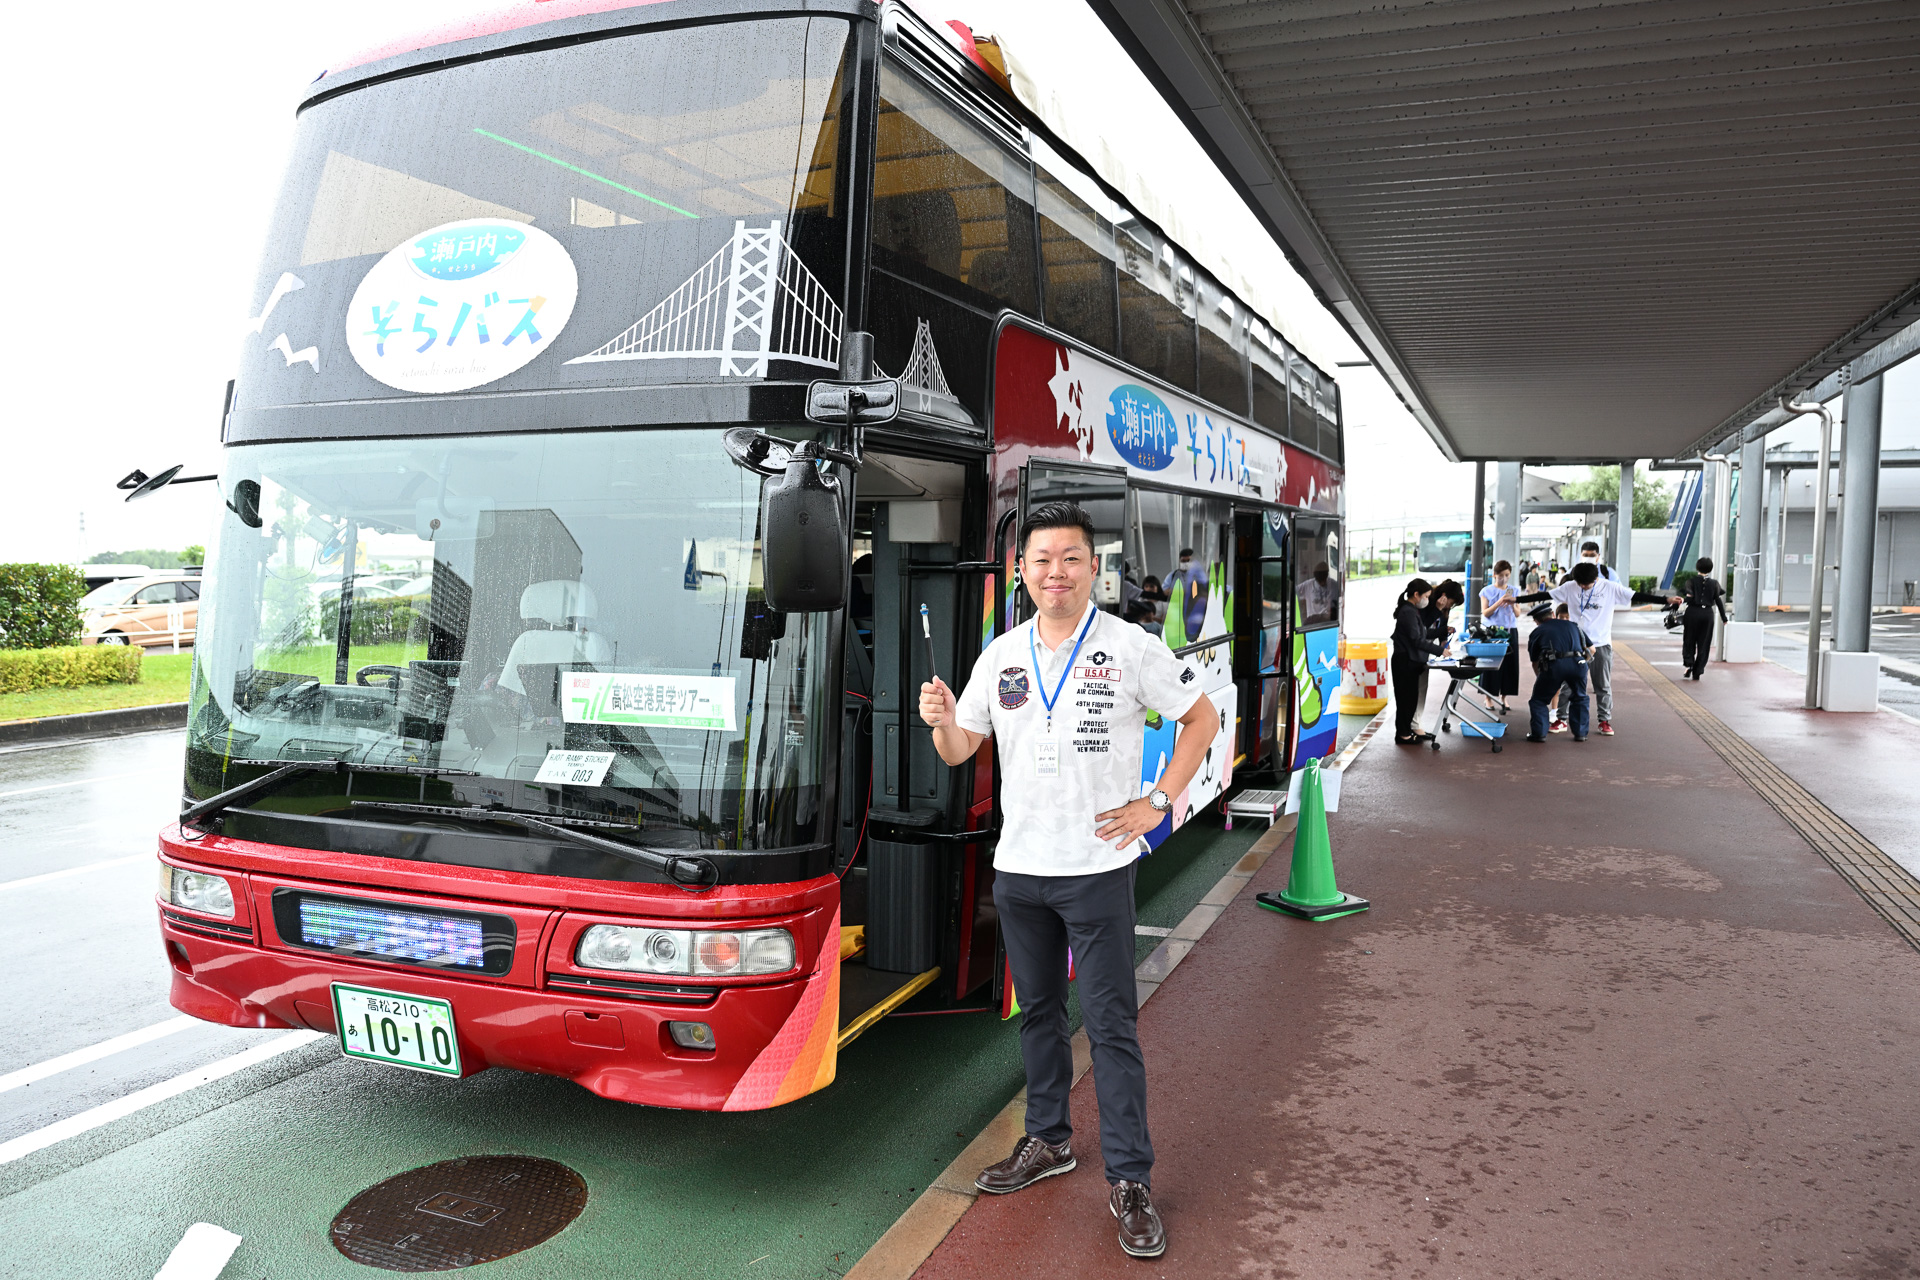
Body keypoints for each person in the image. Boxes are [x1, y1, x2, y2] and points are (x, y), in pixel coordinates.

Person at [919, 500, 1219, 1261]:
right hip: (1020, 870)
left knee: (1112, 1026)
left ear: (1093, 568)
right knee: (1039, 1016)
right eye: (1041, 560)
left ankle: (1130, 1179)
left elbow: (1202, 718)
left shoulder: (1128, 646)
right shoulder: (1003, 654)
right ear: (1020, 572)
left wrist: (1157, 803)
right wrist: (940, 720)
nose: (1055, 572)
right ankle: (1049, 1141)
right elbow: (961, 752)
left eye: (1070, 559)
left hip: (1095, 872)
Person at [1517, 562, 1676, 735]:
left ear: (1596, 579)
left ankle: (1604, 721)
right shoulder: (1570, 586)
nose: (1583, 587)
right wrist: (1516, 600)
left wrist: (1666, 600)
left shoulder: (1610, 588)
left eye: (1587, 584)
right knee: (1568, 684)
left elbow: (1637, 595)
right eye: (1580, 584)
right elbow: (1545, 594)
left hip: (1601, 644)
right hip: (1576, 644)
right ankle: (1561, 719)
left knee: (1602, 685)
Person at [1524, 602, 1592, 742]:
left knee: (1539, 700)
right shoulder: (1574, 626)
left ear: (1536, 621)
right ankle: (1581, 734)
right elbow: (1592, 650)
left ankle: (1539, 734)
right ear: (1553, 615)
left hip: (1554, 666)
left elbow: (1535, 661)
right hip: (1578, 664)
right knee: (1580, 697)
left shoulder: (1537, 632)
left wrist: (1541, 678)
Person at [1391, 577, 1446, 743]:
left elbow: (1423, 633)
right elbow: (1417, 640)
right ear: (1416, 594)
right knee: (1405, 700)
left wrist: (1443, 632)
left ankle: (1406, 732)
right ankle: (1403, 735)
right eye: (1426, 596)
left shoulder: (1411, 610)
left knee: (1410, 698)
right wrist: (1440, 651)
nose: (1427, 600)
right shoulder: (1407, 612)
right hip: (1405, 661)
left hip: (1410, 661)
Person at [1680, 557, 1729, 680]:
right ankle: (1698, 670)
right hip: (1707, 614)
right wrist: (1724, 618)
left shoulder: (1690, 582)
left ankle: (1689, 664)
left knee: (1689, 639)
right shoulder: (1714, 584)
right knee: (1704, 642)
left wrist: (1679, 601)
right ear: (1710, 569)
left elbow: (1689, 598)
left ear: (1697, 567)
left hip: (1692, 613)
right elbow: (1718, 600)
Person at [1477, 560, 1521, 697]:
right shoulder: (1486, 591)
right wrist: (1499, 601)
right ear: (1494, 575)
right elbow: (1485, 612)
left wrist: (1512, 603)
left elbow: (1518, 614)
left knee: (1510, 664)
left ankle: (1504, 697)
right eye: (1501, 575)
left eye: (1507, 575)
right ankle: (1488, 697)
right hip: (1492, 630)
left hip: (1509, 629)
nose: (1504, 578)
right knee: (1491, 663)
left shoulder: (1514, 590)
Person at [1297, 560, 1338, 625]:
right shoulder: (1308, 585)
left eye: (1324, 580)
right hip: (1313, 624)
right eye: (1320, 581)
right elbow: (1294, 591)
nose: (1323, 583)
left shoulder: (1334, 585)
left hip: (1328, 623)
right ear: (1316, 578)